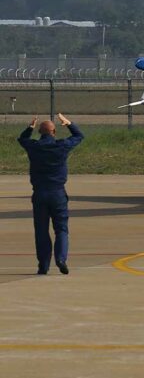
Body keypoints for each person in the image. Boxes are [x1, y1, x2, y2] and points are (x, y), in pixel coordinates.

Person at [17, 113, 84, 275]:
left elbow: (22, 139)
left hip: (40, 194)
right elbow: (79, 136)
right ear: (54, 132)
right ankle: (61, 259)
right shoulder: (61, 146)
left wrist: (30, 127)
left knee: (41, 230)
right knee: (61, 229)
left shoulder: (34, 146)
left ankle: (43, 265)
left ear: (40, 132)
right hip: (58, 193)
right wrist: (68, 123)